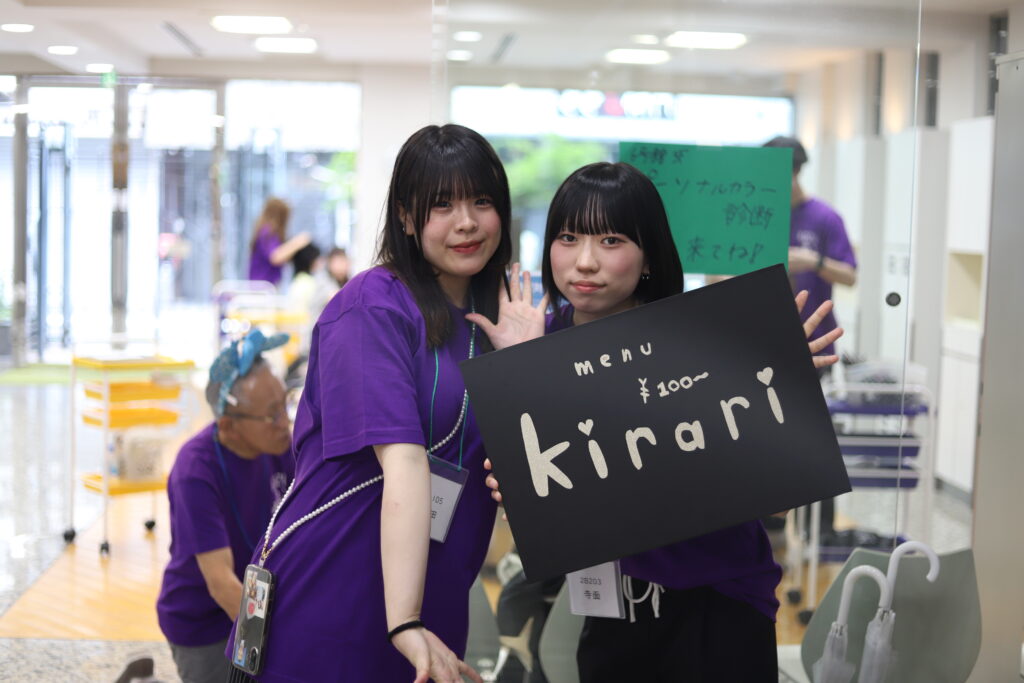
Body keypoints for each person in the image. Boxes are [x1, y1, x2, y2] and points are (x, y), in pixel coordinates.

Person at [482, 162, 843, 682]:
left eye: (611, 240)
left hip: (718, 601)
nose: (585, 261)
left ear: (649, 253)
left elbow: (778, 501)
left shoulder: (701, 339)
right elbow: (544, 509)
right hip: (612, 609)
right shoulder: (537, 346)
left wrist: (779, 394)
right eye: (568, 237)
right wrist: (515, 478)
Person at [225, 124, 541, 683]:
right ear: (405, 217)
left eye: (481, 201)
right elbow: (406, 461)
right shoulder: (372, 307)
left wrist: (521, 366)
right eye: (441, 205)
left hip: (431, 596)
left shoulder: (501, 319)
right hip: (337, 589)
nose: (466, 222)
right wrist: (404, 621)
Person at [156, 331, 294, 683]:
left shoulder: (280, 446)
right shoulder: (195, 470)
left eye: (285, 405)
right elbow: (221, 583)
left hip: (262, 604)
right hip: (204, 622)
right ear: (229, 426)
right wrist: (279, 648)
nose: (285, 423)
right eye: (271, 415)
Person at [764, 135, 857, 541]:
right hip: (760, 345)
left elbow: (850, 274)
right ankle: (769, 525)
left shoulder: (824, 218)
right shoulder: (757, 216)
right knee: (765, 437)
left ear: (797, 171)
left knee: (814, 440)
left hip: (813, 346)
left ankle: (820, 532)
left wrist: (813, 261)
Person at [248, 198, 312, 287]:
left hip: (266, 285)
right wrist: (297, 242)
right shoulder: (267, 232)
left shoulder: (271, 234)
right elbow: (275, 257)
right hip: (261, 287)